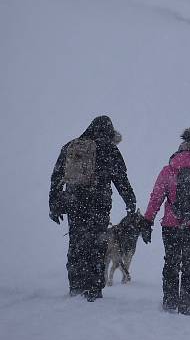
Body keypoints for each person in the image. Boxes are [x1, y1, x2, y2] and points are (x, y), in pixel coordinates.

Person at [48, 116, 136, 301]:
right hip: (99, 206)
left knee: (76, 244)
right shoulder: (109, 149)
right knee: (97, 246)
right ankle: (93, 290)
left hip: (74, 203)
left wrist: (54, 204)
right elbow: (121, 179)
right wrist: (130, 201)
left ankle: (75, 286)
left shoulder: (72, 146)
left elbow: (56, 176)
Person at [143, 128, 190, 315]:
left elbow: (156, 197)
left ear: (178, 151)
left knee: (171, 264)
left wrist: (147, 220)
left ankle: (169, 303)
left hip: (171, 226)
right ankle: (186, 305)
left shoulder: (168, 171)